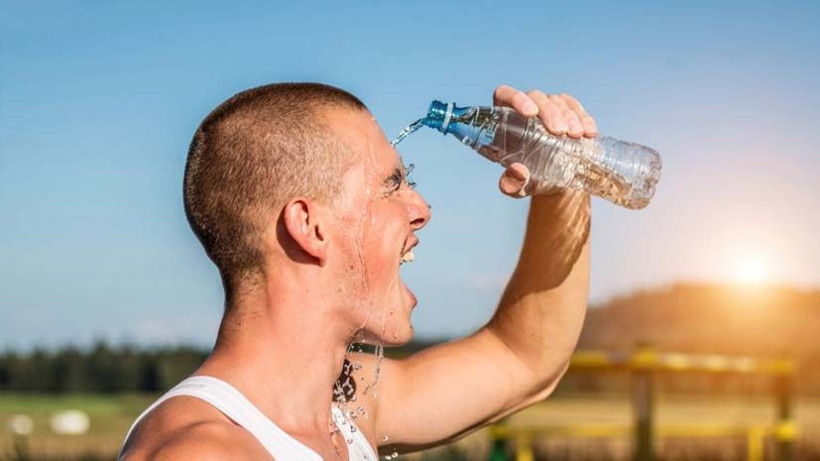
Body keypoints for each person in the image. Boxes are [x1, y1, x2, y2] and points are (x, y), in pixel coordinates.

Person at [118, 82, 596, 460]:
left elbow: (523, 360)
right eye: (392, 185)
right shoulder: (203, 452)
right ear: (311, 227)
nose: (422, 208)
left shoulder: (344, 408)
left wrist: (563, 180)